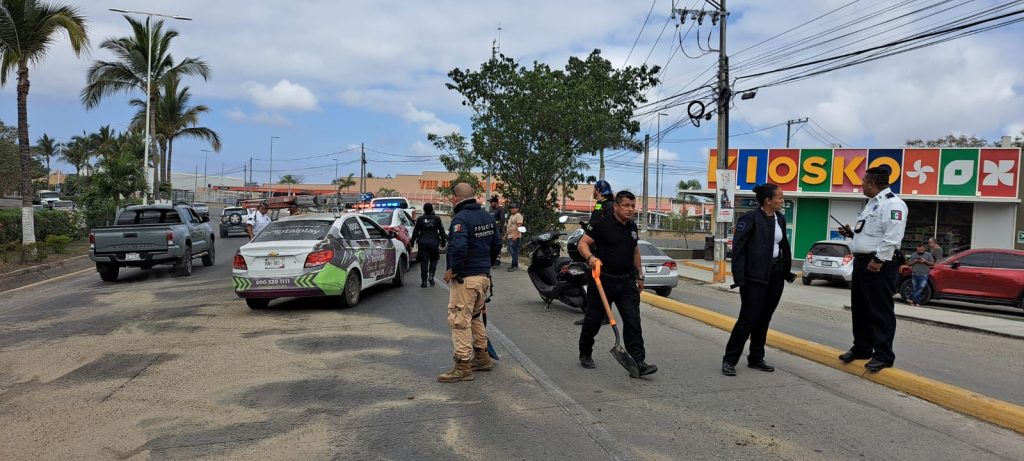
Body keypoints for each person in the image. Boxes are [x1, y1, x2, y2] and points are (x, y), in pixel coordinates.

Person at [576, 191, 657, 377]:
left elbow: (635, 251)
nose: (630, 209)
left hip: (626, 282)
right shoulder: (601, 224)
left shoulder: (632, 227)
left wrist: (640, 276)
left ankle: (638, 362)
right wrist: (591, 257)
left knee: (633, 322)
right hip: (602, 281)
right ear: (616, 206)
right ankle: (585, 352)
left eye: (632, 206)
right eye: (626, 205)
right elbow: (583, 244)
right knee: (593, 321)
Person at [836, 165, 908, 372]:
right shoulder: (871, 204)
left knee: (879, 311)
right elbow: (872, 234)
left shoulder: (893, 204)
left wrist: (879, 260)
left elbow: (893, 236)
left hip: (878, 265)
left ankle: (884, 355)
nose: (862, 187)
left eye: (863, 183)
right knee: (861, 309)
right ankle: (862, 348)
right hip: (862, 263)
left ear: (873, 183)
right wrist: (852, 235)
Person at [722, 183, 797, 376]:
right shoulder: (750, 219)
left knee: (764, 318)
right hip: (754, 277)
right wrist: (739, 278)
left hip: (775, 275)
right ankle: (729, 360)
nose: (782, 200)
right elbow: (738, 250)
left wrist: (786, 271)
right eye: (779, 197)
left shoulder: (780, 218)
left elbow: (784, 247)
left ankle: (756, 358)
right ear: (768, 201)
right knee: (747, 319)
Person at [438, 183, 502, 383]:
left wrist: (453, 269)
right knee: (474, 317)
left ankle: (463, 365)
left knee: (459, 320)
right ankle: (482, 357)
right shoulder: (487, 217)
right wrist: (486, 264)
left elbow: (458, 246)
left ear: (456, 198)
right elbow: (497, 243)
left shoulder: (461, 218)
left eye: (452, 199)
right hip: (483, 277)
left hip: (466, 279)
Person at [574, 180, 614, 326]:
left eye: (595, 189)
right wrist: (588, 227)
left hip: (600, 252)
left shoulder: (609, 206)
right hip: (597, 249)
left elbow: (604, 226)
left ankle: (595, 317)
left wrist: (592, 228)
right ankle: (601, 316)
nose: (593, 191)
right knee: (598, 286)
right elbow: (596, 222)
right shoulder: (601, 204)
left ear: (599, 190)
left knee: (595, 286)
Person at [411, 202, 447, 288]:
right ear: (432, 209)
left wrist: (412, 242)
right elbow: (442, 231)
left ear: (423, 210)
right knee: (434, 260)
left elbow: (415, 232)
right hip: (434, 242)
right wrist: (443, 242)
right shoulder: (437, 219)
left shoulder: (420, 219)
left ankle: (424, 281)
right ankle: (431, 276)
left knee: (424, 261)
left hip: (423, 242)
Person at [505, 203, 524, 272]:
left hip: (515, 236)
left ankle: (515, 266)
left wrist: (515, 235)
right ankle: (513, 265)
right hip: (510, 236)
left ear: (517, 209)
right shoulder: (512, 216)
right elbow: (509, 226)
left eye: (514, 208)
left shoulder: (518, 216)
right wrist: (505, 235)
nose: (512, 209)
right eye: (511, 208)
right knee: (512, 251)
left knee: (514, 252)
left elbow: (519, 227)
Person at [489, 195, 505, 266]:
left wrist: (500, 230)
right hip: (490, 231)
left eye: (492, 202)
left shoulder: (500, 209)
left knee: (497, 245)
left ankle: (497, 260)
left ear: (496, 202)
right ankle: (492, 259)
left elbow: (502, 221)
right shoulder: (491, 210)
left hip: (498, 230)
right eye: (490, 202)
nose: (491, 204)